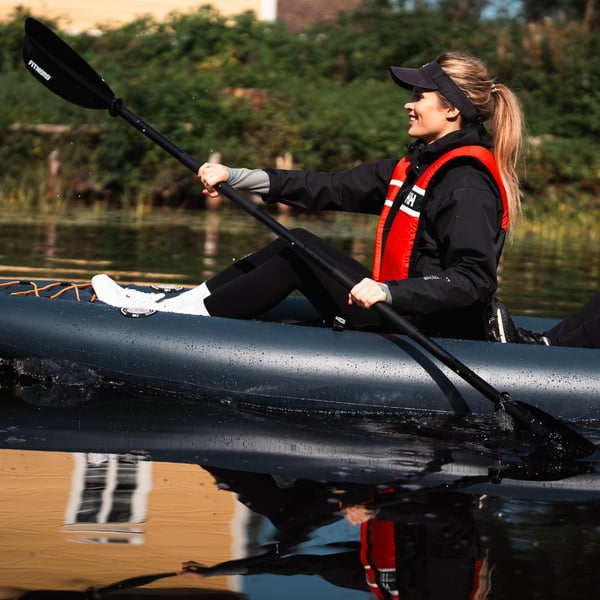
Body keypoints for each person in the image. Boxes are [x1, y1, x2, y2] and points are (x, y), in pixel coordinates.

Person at [93, 51, 525, 341]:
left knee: (299, 254)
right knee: (296, 239)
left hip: (420, 325)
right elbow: (328, 187)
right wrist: (240, 176)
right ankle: (172, 307)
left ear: (451, 109)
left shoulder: (465, 181)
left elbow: (473, 279)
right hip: (402, 312)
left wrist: (390, 294)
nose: (408, 105)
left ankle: (173, 322)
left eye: (419, 96)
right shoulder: (417, 166)